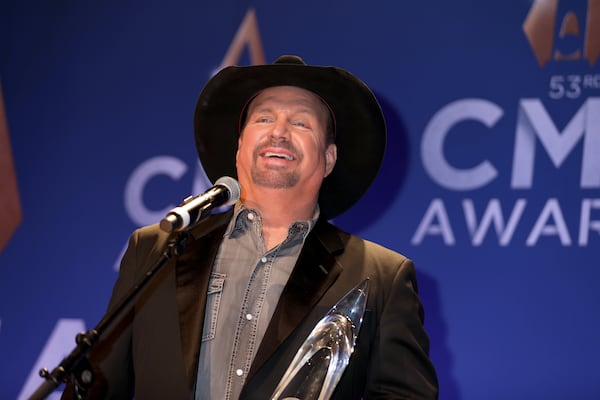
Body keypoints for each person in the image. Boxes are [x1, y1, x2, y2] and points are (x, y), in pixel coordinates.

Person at [62, 55, 439, 399]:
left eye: (300, 122)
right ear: (239, 146)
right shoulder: (157, 248)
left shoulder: (382, 277)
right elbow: (97, 387)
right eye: (264, 118)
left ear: (328, 158)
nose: (279, 131)